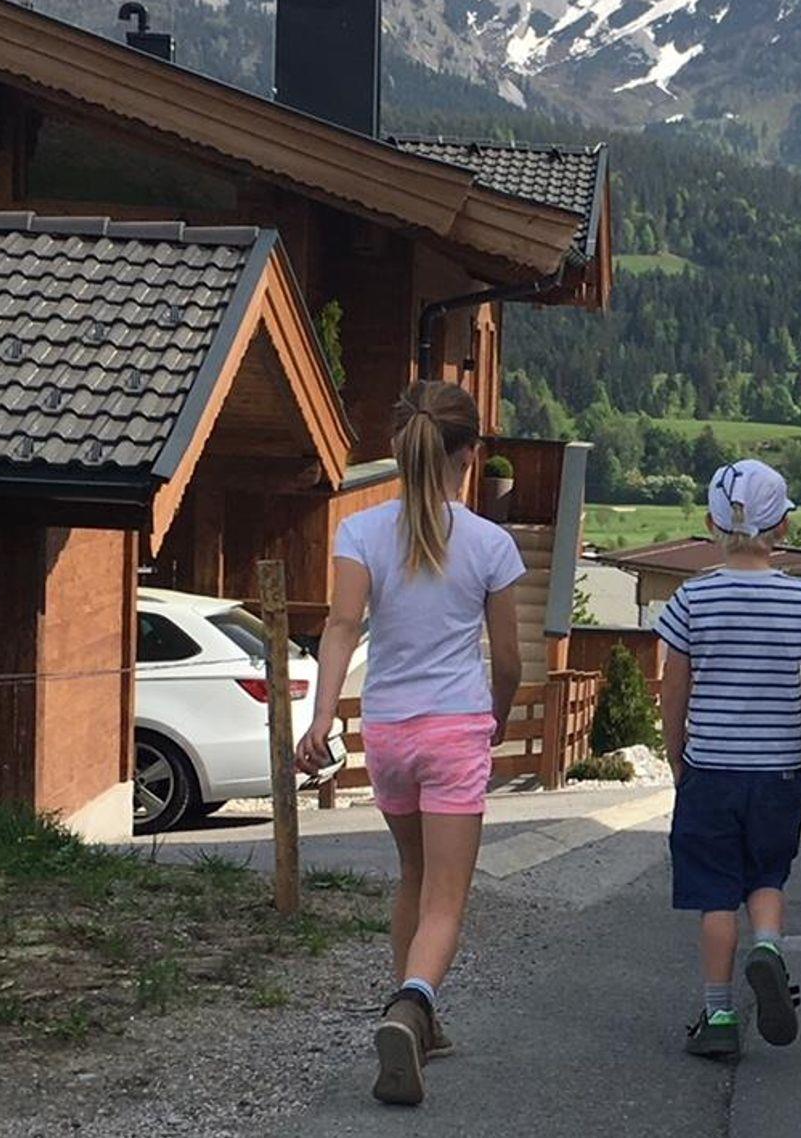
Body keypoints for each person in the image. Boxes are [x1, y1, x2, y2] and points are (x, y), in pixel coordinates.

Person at [297, 381, 524, 1108]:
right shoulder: (490, 544)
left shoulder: (360, 531)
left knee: (413, 874)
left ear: (400, 448)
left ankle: (415, 1016)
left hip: (388, 732)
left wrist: (321, 717)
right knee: (447, 900)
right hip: (454, 728)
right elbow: (509, 659)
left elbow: (341, 627)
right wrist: (496, 715)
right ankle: (413, 1003)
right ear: (470, 453)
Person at [656, 458, 801, 1060]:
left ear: (712, 523)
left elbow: (673, 685)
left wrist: (677, 756)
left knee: (714, 893)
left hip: (710, 769)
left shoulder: (692, 597)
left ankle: (719, 1015)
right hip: (778, 768)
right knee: (767, 875)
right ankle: (768, 946)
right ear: (782, 526)